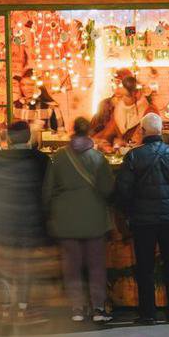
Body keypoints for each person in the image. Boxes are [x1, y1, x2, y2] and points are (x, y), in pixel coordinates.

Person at [114, 112, 169, 324]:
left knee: (145, 266)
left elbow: (123, 191)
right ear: (161, 131)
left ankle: (148, 313)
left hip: (143, 220)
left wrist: (129, 210)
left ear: (142, 131)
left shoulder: (133, 156)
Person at [43, 116, 115, 323]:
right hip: (94, 219)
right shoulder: (98, 158)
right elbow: (108, 188)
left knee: (71, 266)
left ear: (73, 131)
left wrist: (48, 213)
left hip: (65, 219)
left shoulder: (59, 157)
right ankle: (98, 308)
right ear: (89, 132)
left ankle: (76, 308)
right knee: (96, 266)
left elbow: (48, 190)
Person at [0, 119, 49, 317]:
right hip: (30, 220)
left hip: (3, 220)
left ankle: (6, 306)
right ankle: (22, 303)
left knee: (5, 263)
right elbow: (47, 191)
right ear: (29, 135)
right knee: (25, 263)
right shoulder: (41, 159)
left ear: (9, 138)